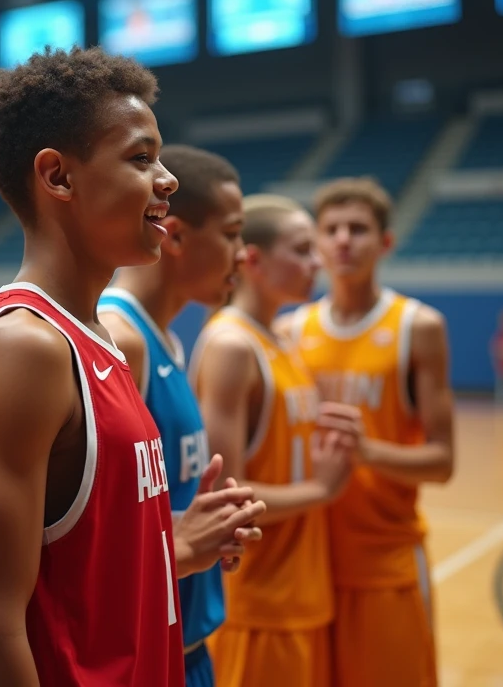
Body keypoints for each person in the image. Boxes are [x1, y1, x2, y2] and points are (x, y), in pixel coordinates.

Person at [0, 47, 266, 687]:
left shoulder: (101, 339)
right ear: (58, 177)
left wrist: (172, 544)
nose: (168, 179)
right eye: (141, 158)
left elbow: (79, 568)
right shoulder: (27, 347)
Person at [286, 177, 455, 687]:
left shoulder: (418, 327)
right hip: (309, 564)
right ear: (316, 244)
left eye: (357, 229)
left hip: (385, 564)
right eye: (331, 229)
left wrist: (367, 451)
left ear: (385, 243)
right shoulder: (291, 330)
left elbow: (443, 461)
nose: (342, 240)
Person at [96, 145, 254, 687]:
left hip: (187, 649)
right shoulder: (121, 341)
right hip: (146, 660)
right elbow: (83, 545)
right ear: (178, 235)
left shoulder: (166, 339)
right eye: (233, 234)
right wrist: (180, 548)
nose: (244, 255)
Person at [192, 194, 359, 687]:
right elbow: (228, 495)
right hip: (259, 603)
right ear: (254, 261)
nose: (318, 262)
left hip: (301, 591)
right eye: (304, 250)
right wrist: (322, 490)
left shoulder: (280, 338)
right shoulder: (232, 346)